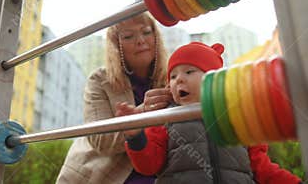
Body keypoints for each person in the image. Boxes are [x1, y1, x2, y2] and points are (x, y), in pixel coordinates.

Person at [116, 42, 301, 184]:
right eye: (173, 76)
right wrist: (135, 137)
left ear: (213, 79)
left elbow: (262, 168)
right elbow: (148, 165)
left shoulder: (238, 116)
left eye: (189, 71)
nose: (179, 79)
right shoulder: (165, 119)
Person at [56, 12, 170, 184]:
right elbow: (99, 140)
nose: (140, 40)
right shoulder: (100, 80)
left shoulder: (173, 79)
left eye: (146, 32)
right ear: (116, 46)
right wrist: (141, 114)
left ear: (156, 37)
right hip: (106, 173)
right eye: (128, 36)